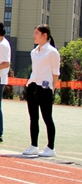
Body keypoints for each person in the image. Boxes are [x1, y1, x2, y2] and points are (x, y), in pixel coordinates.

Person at [22, 24, 60, 157]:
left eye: (36, 33)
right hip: (33, 85)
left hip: (45, 88)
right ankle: (34, 145)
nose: (34, 36)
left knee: (47, 118)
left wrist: (52, 89)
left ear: (44, 35)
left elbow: (56, 73)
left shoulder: (52, 52)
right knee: (33, 117)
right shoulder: (34, 52)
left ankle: (51, 147)